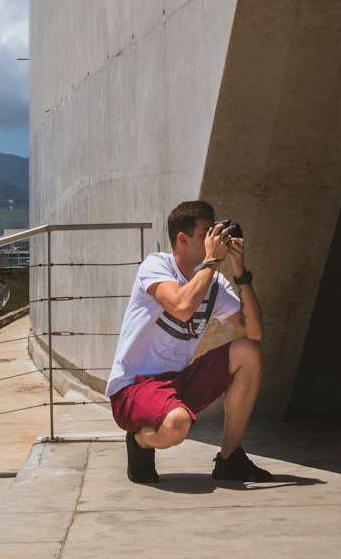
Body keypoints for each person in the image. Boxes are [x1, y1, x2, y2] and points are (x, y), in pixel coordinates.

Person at [105, 199, 272, 483]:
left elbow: (253, 331)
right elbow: (181, 307)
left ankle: (230, 458)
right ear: (182, 239)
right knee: (177, 424)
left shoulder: (214, 283)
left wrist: (240, 271)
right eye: (206, 232)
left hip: (177, 383)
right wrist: (211, 261)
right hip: (133, 389)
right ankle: (140, 442)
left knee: (249, 351)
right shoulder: (156, 266)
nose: (213, 239)